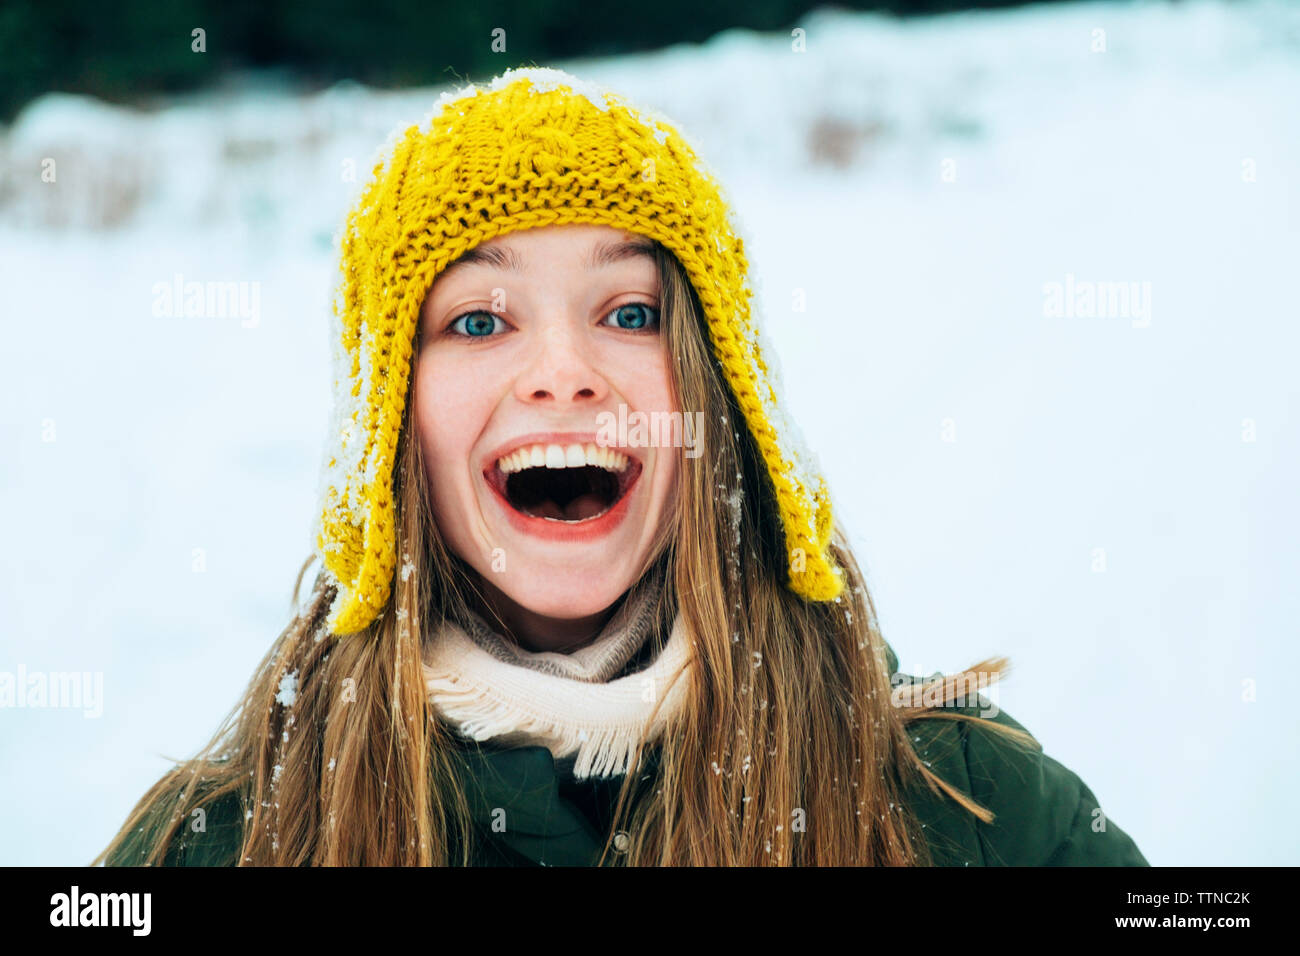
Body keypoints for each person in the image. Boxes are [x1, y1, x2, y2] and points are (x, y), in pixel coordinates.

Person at [95, 66, 1148, 867]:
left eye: (631, 313)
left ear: (721, 398)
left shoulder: (969, 801)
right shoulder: (230, 841)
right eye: (478, 320)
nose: (563, 373)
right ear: (387, 427)